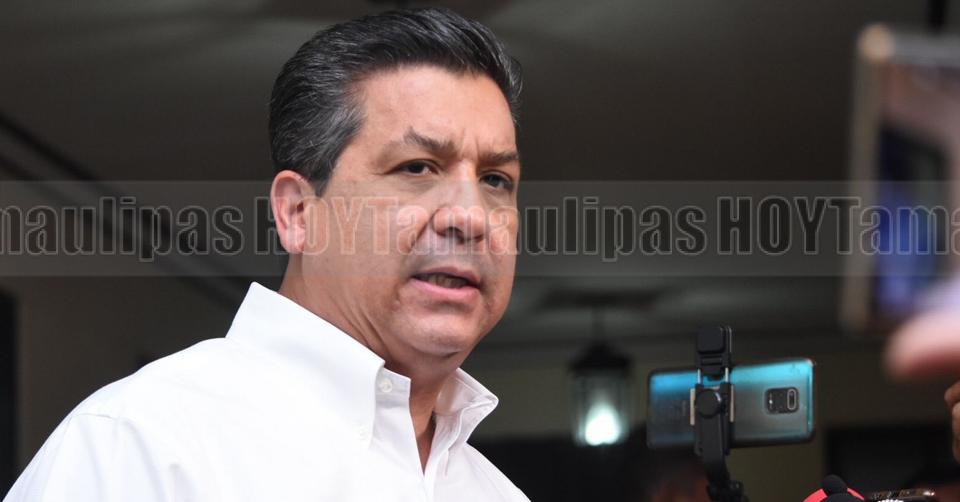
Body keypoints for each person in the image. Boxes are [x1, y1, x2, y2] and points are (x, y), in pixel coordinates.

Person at [4, 7, 527, 501]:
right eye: (416, 168)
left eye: (495, 180)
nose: (472, 217)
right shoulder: (141, 445)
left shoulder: (496, 493)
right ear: (298, 213)